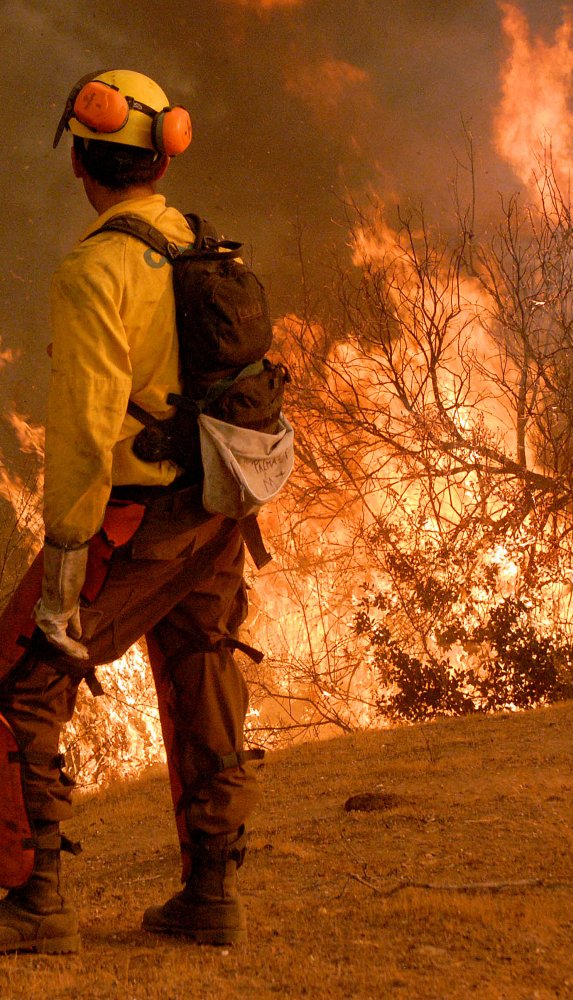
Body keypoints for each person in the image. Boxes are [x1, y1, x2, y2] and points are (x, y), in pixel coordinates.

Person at [0, 69, 261, 953]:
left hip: (138, 514)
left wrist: (63, 568)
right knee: (202, 669)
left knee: (21, 681)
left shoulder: (96, 270)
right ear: (157, 159)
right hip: (218, 505)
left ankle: (38, 902)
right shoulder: (198, 239)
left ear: (82, 162)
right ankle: (212, 894)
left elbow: (82, 429)